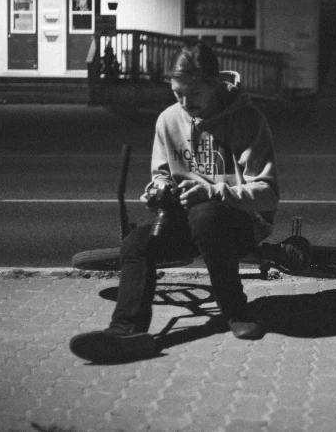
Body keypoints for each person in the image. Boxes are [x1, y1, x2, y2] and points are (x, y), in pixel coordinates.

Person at [70, 42, 309, 363]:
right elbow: (161, 174)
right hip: (187, 222)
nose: (183, 103)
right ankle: (126, 330)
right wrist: (159, 189)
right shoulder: (169, 120)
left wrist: (212, 192)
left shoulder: (248, 121)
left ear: (214, 83)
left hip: (241, 224)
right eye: (176, 93)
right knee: (136, 243)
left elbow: (266, 192)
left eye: (192, 94)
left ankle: (238, 312)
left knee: (207, 214)